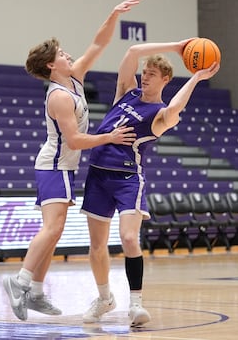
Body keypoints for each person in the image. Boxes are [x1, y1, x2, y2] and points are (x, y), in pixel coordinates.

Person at [3, 0, 142, 321]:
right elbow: (76, 140)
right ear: (52, 65)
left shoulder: (75, 76)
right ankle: (20, 281)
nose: (68, 55)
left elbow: (98, 43)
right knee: (52, 229)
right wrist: (109, 137)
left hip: (60, 166)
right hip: (55, 165)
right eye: (62, 54)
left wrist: (113, 15)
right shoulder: (60, 97)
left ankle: (36, 292)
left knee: (54, 230)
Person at [80, 39, 220, 326]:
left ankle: (135, 304)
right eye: (144, 73)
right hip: (97, 175)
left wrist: (195, 77)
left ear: (165, 79)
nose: (145, 77)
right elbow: (131, 52)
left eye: (152, 74)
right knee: (97, 247)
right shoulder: (126, 94)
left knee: (130, 238)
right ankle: (105, 298)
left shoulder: (157, 115)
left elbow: (174, 110)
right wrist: (178, 46)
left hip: (127, 179)